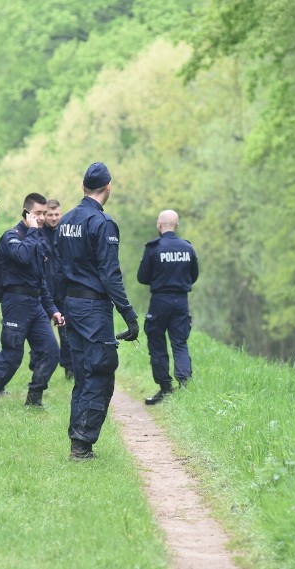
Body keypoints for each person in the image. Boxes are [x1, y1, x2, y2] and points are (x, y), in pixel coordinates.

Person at [55, 162, 139, 460]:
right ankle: (81, 444)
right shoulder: (102, 224)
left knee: (82, 373)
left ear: (83, 187)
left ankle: (78, 439)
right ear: (108, 187)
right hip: (93, 309)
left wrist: (58, 305)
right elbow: (110, 274)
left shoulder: (64, 221)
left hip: (71, 306)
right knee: (99, 372)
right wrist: (129, 314)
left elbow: (55, 269)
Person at [0, 193, 65, 413]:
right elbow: (22, 256)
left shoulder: (38, 238)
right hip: (15, 303)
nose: (42, 218)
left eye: (44, 213)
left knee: (52, 351)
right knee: (12, 357)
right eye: (38, 213)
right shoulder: (11, 237)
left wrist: (52, 309)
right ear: (26, 213)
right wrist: (33, 231)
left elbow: (40, 279)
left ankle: (34, 399)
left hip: (36, 304)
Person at [137, 210, 199, 405]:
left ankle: (165, 387)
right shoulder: (187, 248)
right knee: (179, 342)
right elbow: (194, 275)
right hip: (181, 301)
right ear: (176, 226)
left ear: (159, 225)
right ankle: (185, 385)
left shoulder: (153, 248)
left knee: (157, 343)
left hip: (159, 301)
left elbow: (142, 277)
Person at [41, 198, 74, 380]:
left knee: (66, 332)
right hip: (44, 291)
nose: (54, 218)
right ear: (44, 215)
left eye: (57, 214)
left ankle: (69, 368)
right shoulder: (37, 234)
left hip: (63, 290)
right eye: (50, 214)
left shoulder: (66, 233)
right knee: (41, 332)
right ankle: (39, 367)